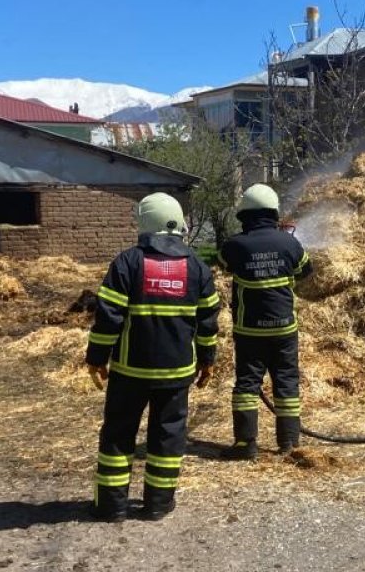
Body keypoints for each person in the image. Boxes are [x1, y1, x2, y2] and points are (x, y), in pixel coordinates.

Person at [84, 193, 220, 522]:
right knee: (169, 436)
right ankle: (158, 504)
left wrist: (96, 357)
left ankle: (112, 507)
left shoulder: (128, 263)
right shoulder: (198, 269)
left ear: (144, 223)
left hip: (130, 371)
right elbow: (208, 321)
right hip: (176, 374)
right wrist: (207, 359)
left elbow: (108, 317)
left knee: (118, 433)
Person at [216, 184, 312, 460]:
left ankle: (246, 445)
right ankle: (289, 443)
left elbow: (224, 265)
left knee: (247, 383)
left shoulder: (235, 245)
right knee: (287, 382)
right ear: (273, 212)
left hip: (249, 330)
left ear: (244, 214)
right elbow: (306, 270)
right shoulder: (289, 242)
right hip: (284, 328)